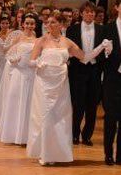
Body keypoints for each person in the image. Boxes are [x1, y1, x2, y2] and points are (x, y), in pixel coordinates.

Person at [27, 12, 111, 165]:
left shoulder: (67, 42)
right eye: (47, 22)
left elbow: (85, 58)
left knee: (59, 117)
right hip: (45, 83)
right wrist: (39, 63)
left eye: (52, 22)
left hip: (61, 85)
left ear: (61, 25)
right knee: (46, 115)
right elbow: (31, 61)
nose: (48, 25)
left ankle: (58, 153)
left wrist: (101, 46)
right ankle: (45, 153)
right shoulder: (41, 41)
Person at [66, 1, 105, 146]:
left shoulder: (102, 30)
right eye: (87, 11)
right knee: (77, 105)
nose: (90, 14)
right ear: (81, 13)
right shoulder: (72, 29)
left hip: (95, 71)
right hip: (78, 72)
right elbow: (69, 50)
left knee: (92, 106)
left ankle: (87, 135)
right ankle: (75, 134)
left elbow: (105, 52)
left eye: (92, 12)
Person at [0, 13, 37, 145]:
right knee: (16, 101)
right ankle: (13, 134)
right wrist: (14, 60)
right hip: (19, 72)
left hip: (32, 73)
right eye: (27, 23)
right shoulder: (18, 37)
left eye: (32, 23)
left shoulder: (37, 38)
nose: (30, 26)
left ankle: (26, 135)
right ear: (23, 24)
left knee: (29, 103)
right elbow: (8, 53)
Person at [102, 0, 121, 165]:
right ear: (117, 7)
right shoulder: (107, 28)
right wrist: (106, 53)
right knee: (111, 118)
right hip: (112, 79)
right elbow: (101, 54)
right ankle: (108, 154)